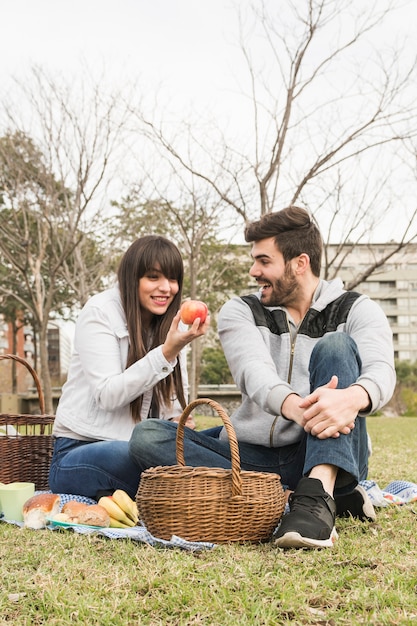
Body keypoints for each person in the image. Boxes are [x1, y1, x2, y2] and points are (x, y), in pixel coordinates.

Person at [128, 207, 395, 549]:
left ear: (300, 263)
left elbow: (381, 371)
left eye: (264, 261)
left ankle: (318, 489)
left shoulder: (357, 309)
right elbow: (254, 373)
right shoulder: (240, 311)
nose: (254, 271)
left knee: (336, 346)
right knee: (148, 437)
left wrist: (351, 398)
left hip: (321, 445)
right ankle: (312, 494)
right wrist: (299, 409)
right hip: (251, 457)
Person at [49, 235, 210, 500]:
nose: (166, 288)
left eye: (172, 279)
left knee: (221, 438)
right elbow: (108, 395)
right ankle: (224, 487)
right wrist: (167, 352)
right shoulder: (100, 312)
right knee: (142, 453)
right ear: (131, 278)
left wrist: (177, 422)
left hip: (141, 446)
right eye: (153, 277)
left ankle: (224, 479)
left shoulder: (168, 323)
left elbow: (169, 406)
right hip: (79, 453)